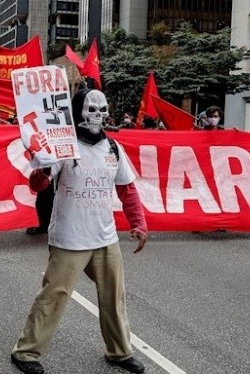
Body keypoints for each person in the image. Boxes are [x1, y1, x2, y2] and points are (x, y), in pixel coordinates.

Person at [10, 88, 148, 374]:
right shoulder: (62, 146)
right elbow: (38, 186)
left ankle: (119, 352)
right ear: (76, 112)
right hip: (70, 239)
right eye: (91, 109)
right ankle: (26, 353)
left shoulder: (113, 149)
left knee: (114, 296)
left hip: (105, 238)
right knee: (53, 296)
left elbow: (127, 189)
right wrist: (43, 170)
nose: (98, 116)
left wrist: (138, 222)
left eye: (102, 110)